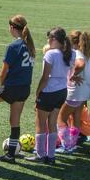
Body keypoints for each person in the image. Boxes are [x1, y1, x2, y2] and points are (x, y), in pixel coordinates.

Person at [0, 15, 35, 162]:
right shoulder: (30, 46)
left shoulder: (13, 46)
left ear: (12, 28)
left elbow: (4, 71)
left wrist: (2, 85)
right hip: (24, 88)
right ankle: (10, 154)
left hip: (12, 87)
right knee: (15, 121)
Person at [27, 27, 72, 164]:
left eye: (49, 38)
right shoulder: (69, 53)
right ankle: (51, 156)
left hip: (49, 91)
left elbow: (45, 77)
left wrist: (37, 92)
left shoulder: (50, 54)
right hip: (62, 91)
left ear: (53, 39)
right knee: (52, 123)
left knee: (40, 123)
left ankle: (40, 155)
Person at [57, 30, 90, 154]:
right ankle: (73, 144)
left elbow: (80, 64)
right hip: (85, 90)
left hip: (75, 91)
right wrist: (89, 69)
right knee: (76, 117)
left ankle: (66, 145)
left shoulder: (77, 53)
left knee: (61, 118)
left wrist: (74, 75)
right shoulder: (89, 51)